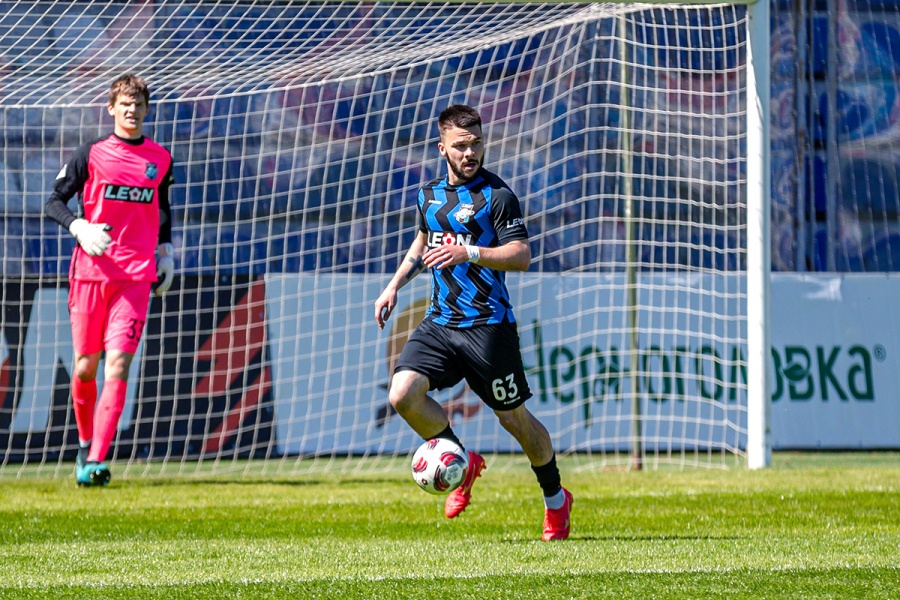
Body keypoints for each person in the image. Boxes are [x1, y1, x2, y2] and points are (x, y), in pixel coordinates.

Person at [374, 105, 572, 541]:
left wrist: (471, 252)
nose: (471, 153)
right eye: (461, 146)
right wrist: (393, 286)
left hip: (488, 327)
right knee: (402, 394)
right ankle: (462, 462)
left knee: (515, 421)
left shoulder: (497, 196)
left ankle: (556, 499)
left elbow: (521, 255)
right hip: (440, 323)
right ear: (441, 148)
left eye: (477, 143)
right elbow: (422, 243)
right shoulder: (429, 196)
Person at [45, 74, 175, 487]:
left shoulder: (160, 158)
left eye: (138, 104)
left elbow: (162, 206)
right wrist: (78, 226)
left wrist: (166, 250)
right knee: (86, 367)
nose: (132, 110)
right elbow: (53, 201)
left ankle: (95, 461)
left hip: (135, 277)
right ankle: (85, 443)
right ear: (111, 108)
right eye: (125, 103)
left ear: (147, 109)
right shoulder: (91, 153)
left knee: (117, 364)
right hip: (90, 273)